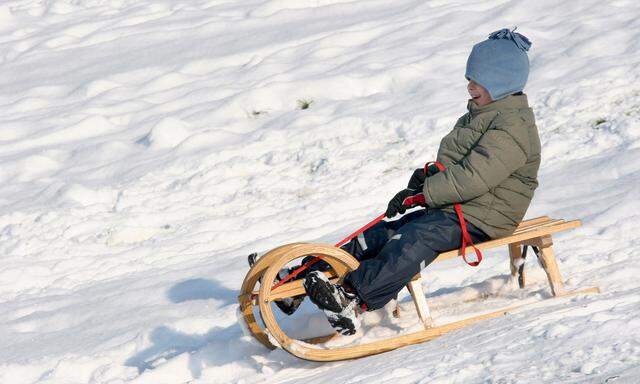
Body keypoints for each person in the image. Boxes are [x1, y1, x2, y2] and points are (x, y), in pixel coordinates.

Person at [302, 28, 542, 336]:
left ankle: (353, 299)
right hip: (458, 208)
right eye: (469, 78)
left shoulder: (513, 129)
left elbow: (473, 177)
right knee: (383, 232)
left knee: (414, 240)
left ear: (502, 81)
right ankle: (305, 276)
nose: (469, 87)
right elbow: (456, 166)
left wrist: (424, 195)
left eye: (477, 80)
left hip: (484, 217)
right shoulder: (482, 115)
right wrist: (418, 185)